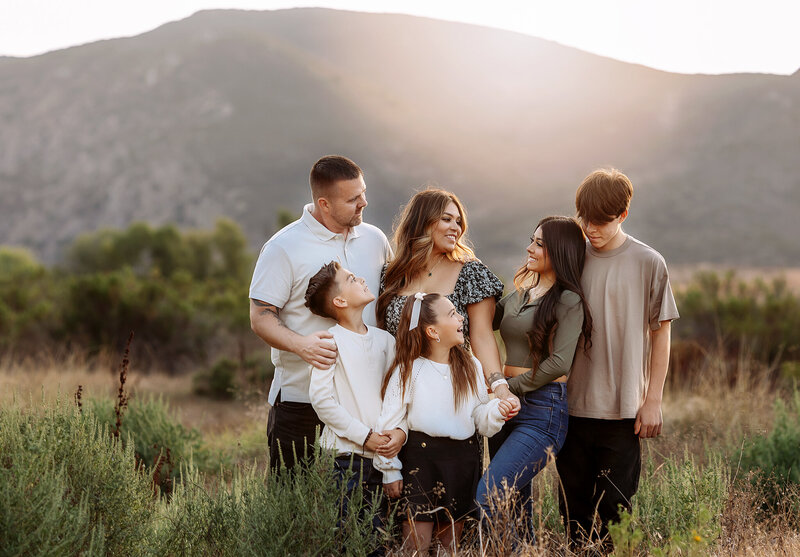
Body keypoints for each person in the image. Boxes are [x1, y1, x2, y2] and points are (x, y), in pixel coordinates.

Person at [556, 168, 679, 548]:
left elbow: (661, 334)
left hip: (624, 412)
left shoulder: (649, 262)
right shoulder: (571, 258)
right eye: (584, 218)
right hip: (569, 408)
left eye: (601, 221)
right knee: (573, 515)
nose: (590, 228)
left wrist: (653, 401)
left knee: (616, 512)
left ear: (622, 215)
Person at [249, 155, 392, 471]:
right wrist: (303, 346)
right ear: (324, 204)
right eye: (353, 199)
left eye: (363, 193)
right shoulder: (282, 247)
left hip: (366, 404)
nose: (363, 203)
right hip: (302, 404)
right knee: (294, 508)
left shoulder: (376, 240)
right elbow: (260, 316)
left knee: (362, 510)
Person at [476, 216, 593, 542]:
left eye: (540, 244)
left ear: (560, 251)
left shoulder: (569, 300)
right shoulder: (520, 294)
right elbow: (482, 325)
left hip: (542, 411)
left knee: (490, 495)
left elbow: (559, 363)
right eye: (532, 240)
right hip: (505, 406)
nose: (530, 248)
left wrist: (506, 387)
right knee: (514, 503)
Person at [374, 293, 514, 554]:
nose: (461, 317)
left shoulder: (470, 365)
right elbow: (389, 422)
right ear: (432, 330)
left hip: (462, 461)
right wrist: (389, 470)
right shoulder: (408, 370)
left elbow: (480, 417)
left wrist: (497, 411)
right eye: (452, 313)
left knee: (449, 545)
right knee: (416, 544)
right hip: (421, 462)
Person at [376, 188, 520, 413]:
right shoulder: (391, 275)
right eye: (447, 219)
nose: (456, 227)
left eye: (458, 221)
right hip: (398, 392)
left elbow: (482, 336)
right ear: (423, 221)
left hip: (452, 390)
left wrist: (500, 387)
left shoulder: (470, 273)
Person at [304, 261, 402, 555]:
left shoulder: (386, 341)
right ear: (340, 301)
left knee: (382, 541)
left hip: (385, 458)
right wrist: (364, 436)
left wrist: (400, 433)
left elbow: (397, 397)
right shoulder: (329, 341)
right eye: (350, 278)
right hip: (344, 462)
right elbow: (322, 401)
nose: (361, 277)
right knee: (351, 542)